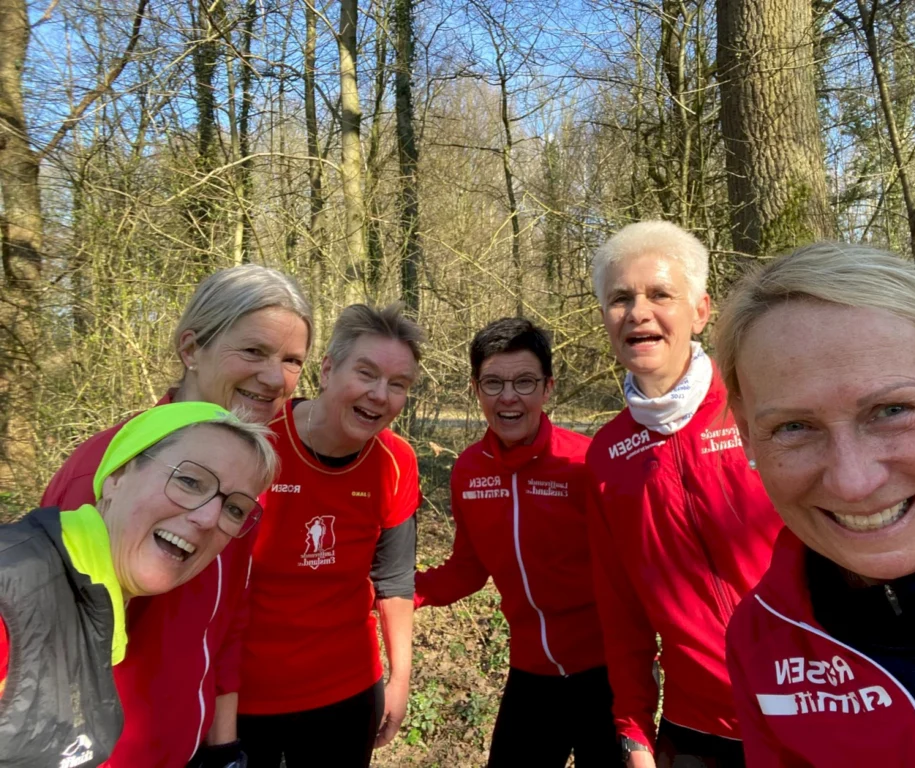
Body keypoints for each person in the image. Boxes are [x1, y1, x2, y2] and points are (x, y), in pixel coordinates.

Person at [717, 243, 915, 767]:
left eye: (891, 410)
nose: (853, 482)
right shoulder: (760, 640)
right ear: (747, 436)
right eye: (793, 427)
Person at [41, 264, 313, 768]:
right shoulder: (105, 477)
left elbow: (228, 618)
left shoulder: (244, 480)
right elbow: (40, 651)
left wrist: (223, 746)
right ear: (191, 350)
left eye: (292, 360)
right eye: (253, 351)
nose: (276, 378)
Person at [585, 221, 782, 767]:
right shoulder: (606, 455)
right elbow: (621, 607)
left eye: (660, 294)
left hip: (815, 710)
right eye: (620, 298)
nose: (638, 312)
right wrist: (633, 729)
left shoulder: (762, 410)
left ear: (699, 311)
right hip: (697, 731)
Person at [1, 402, 277, 767]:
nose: (210, 517)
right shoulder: (16, 593)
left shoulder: (97, 600)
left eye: (235, 509)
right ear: (117, 475)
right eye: (190, 481)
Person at [415, 318, 619, 767]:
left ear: (548, 388)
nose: (508, 398)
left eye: (524, 382)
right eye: (493, 383)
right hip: (531, 676)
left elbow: (634, 565)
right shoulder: (469, 471)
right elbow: (467, 570)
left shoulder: (586, 462)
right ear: (475, 389)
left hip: (608, 675)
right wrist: (400, 590)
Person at [237, 303, 423, 768]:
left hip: (346, 692)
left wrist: (399, 677)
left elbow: (395, 581)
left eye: (398, 385)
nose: (380, 395)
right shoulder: (252, 441)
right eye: (367, 373)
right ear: (327, 369)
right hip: (240, 695)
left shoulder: (397, 462)